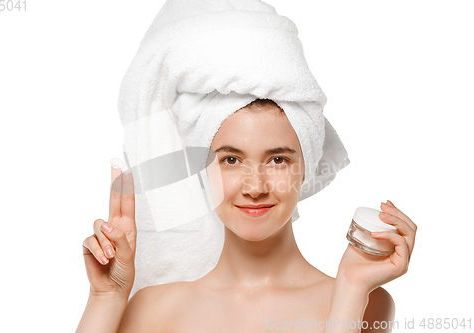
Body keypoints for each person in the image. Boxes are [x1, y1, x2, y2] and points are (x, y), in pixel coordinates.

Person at [76, 98, 417, 332]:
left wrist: (351, 290)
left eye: (278, 159)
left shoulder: (363, 301)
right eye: (231, 160)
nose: (255, 187)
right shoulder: (155, 308)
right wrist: (105, 297)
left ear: (307, 169)